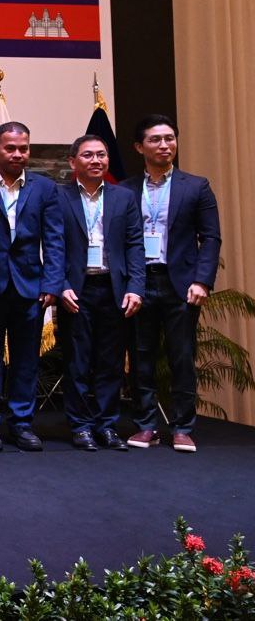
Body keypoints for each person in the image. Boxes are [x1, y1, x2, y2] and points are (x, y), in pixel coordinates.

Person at [124, 114, 220, 452]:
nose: (165, 145)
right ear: (139, 147)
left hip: (180, 284)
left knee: (182, 357)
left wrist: (202, 281)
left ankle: (182, 428)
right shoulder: (126, 190)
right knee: (141, 358)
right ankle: (145, 426)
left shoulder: (196, 186)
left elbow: (210, 238)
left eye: (170, 138)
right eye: (156, 139)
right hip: (138, 283)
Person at [0, 122, 65, 452]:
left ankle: (22, 424)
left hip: (31, 286)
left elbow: (54, 239)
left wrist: (52, 282)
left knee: (26, 361)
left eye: (23, 148)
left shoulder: (45, 188)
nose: (17, 154)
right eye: (10, 148)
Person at [56, 134, 144, 451]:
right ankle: (80, 426)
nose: (96, 160)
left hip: (114, 289)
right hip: (75, 290)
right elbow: (52, 245)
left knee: (110, 363)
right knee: (77, 362)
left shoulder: (124, 197)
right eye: (88, 155)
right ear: (73, 161)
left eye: (102, 155)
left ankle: (106, 425)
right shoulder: (58, 196)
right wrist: (60, 284)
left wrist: (136, 287)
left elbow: (135, 245)